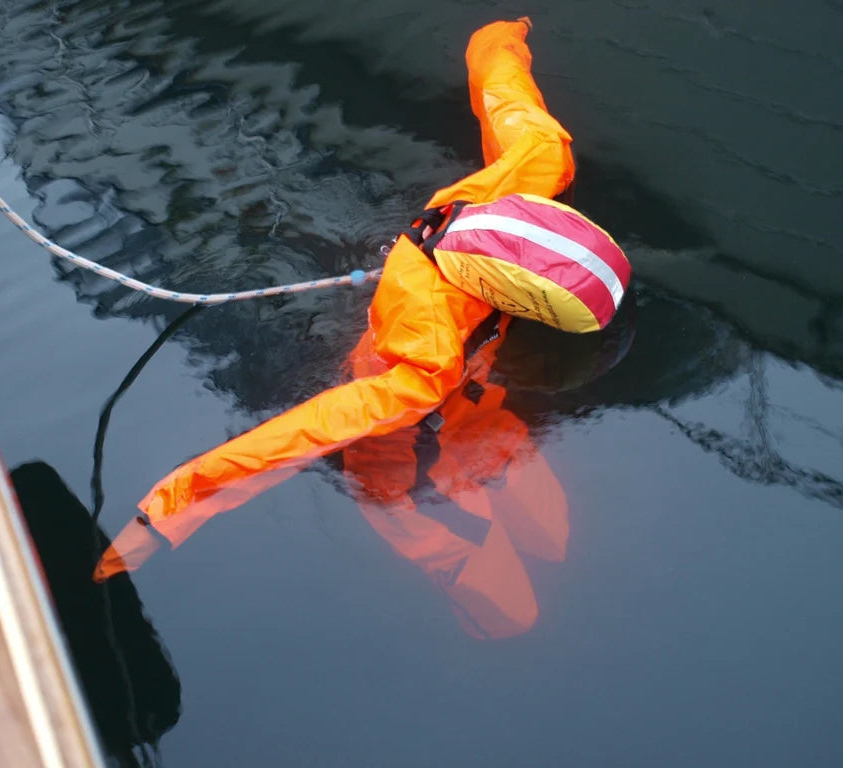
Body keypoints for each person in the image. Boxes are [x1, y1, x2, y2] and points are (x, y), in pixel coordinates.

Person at [94, 18, 590, 634]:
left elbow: (505, 93)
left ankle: (518, 567)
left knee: (555, 539)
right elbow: (292, 441)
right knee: (443, 550)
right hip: (404, 426)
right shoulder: (421, 367)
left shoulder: (532, 173)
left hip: (474, 384)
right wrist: (159, 520)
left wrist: (500, 37)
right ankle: (485, 605)